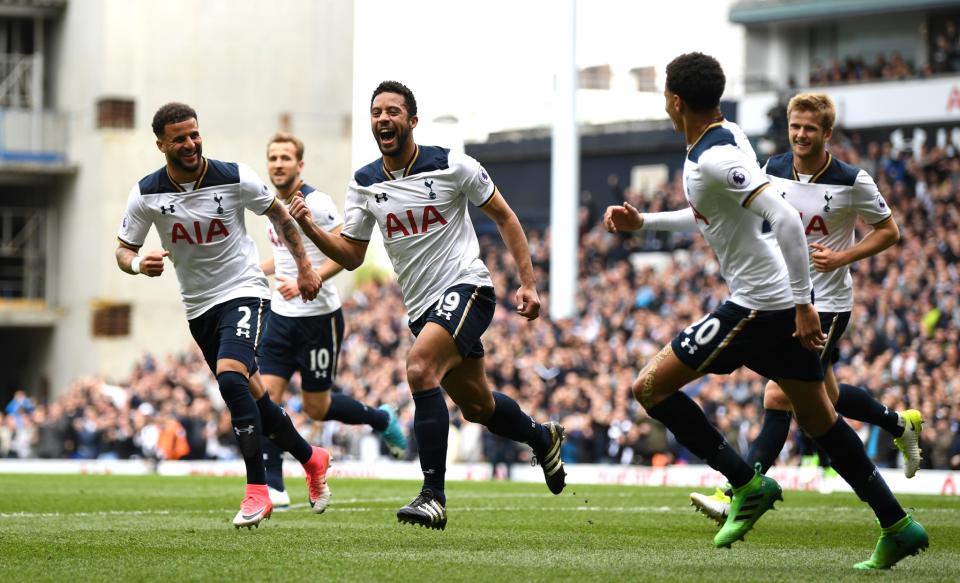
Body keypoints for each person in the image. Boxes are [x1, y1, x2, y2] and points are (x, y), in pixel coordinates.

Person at [603, 53, 927, 568]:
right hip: (775, 302)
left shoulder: (714, 157)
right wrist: (645, 224)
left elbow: (785, 219)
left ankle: (745, 482)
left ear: (675, 100)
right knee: (822, 420)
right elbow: (709, 214)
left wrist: (803, 304)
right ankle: (898, 524)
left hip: (759, 304)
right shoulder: (727, 136)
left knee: (649, 387)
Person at [287, 80, 566, 530]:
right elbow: (353, 254)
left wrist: (528, 283)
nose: (383, 118)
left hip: (468, 288)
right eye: (377, 112)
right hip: (423, 309)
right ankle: (541, 436)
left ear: (411, 120)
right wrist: (311, 230)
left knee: (418, 368)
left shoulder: (452, 164)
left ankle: (432, 495)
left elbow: (505, 217)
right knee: (478, 408)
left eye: (393, 111)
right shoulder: (364, 183)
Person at [689, 92, 924, 523]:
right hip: (787, 298)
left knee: (780, 392)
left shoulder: (853, 180)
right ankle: (898, 425)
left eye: (810, 129)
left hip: (829, 303)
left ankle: (736, 492)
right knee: (826, 396)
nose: (800, 134)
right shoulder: (771, 170)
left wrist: (842, 257)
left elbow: (889, 232)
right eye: (795, 126)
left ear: (827, 134)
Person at [115, 103, 332, 528]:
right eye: (179, 138)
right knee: (253, 396)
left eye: (194, 134)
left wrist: (306, 267)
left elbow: (280, 215)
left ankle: (258, 491)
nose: (191, 143)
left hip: (245, 291)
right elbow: (123, 250)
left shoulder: (234, 176)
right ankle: (312, 458)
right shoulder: (146, 193)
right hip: (199, 307)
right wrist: (139, 264)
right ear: (161, 144)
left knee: (231, 375)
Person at [257, 132, 408, 510]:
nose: (278, 164)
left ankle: (380, 417)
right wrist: (254, 271)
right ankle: (274, 484)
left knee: (316, 408)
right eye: (273, 157)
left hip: (319, 318)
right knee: (264, 398)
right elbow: (285, 253)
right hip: (280, 315)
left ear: (299, 165)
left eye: (285, 158)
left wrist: (312, 278)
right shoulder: (267, 203)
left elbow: (346, 253)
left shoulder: (317, 203)